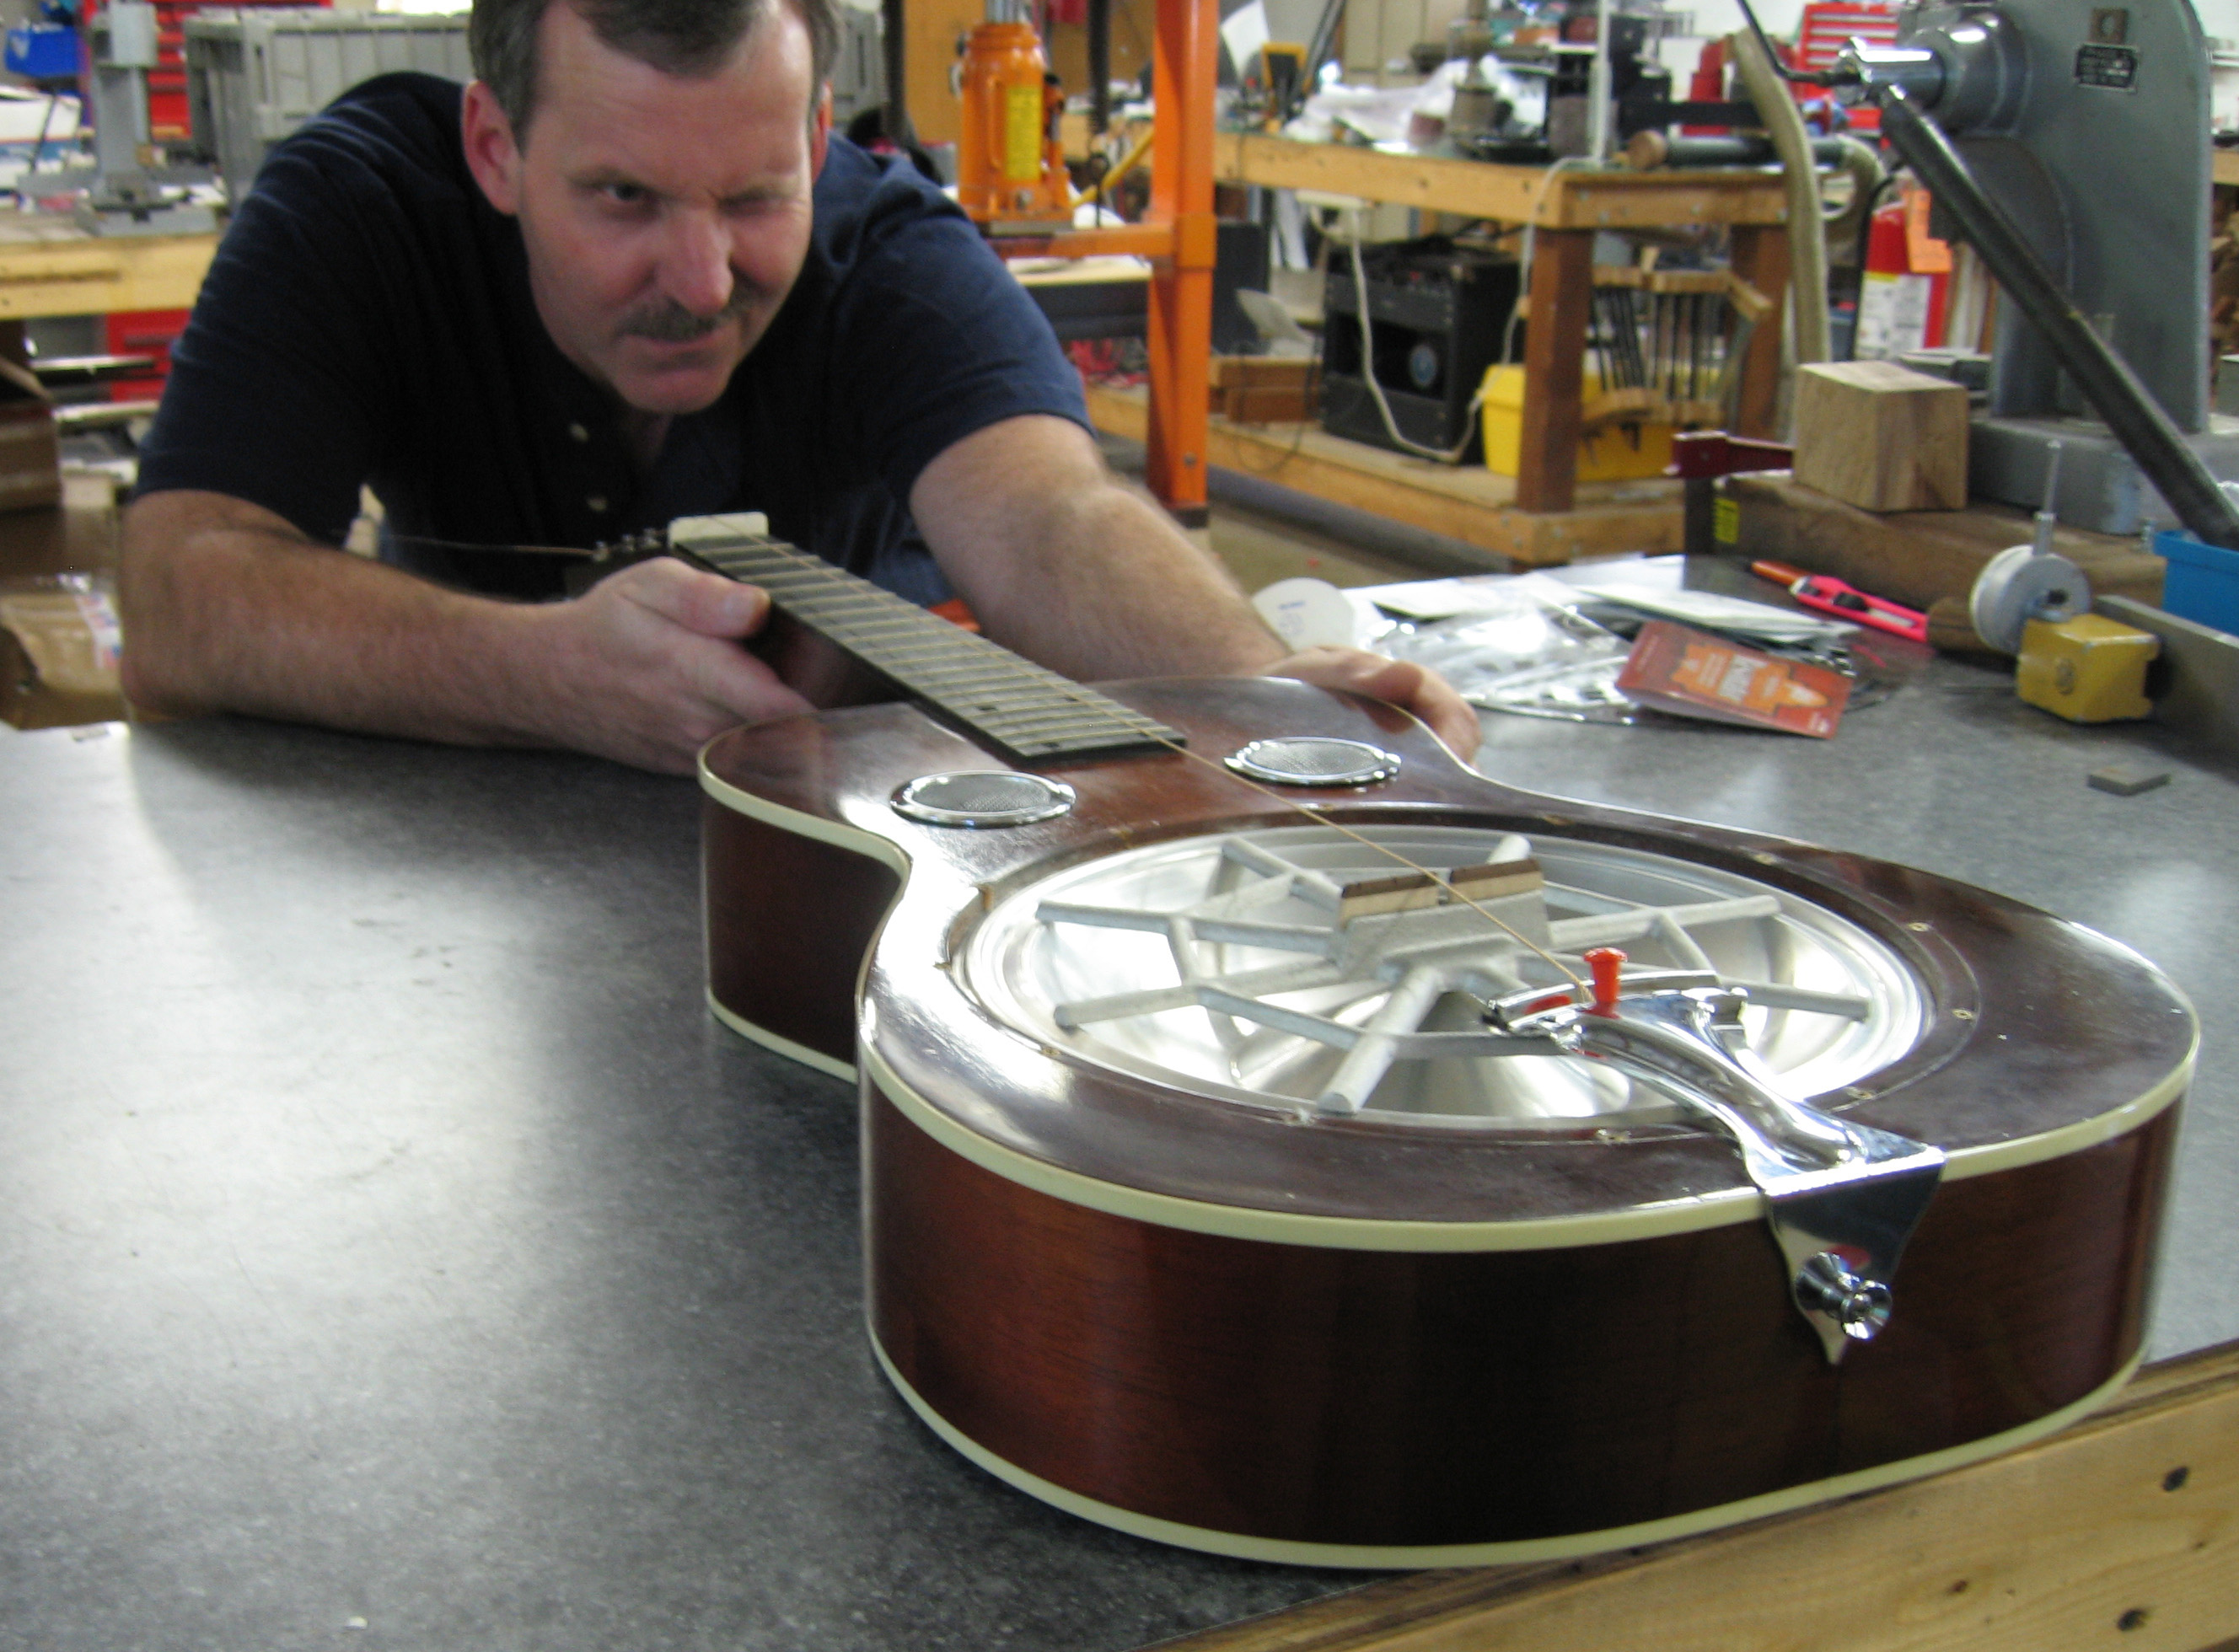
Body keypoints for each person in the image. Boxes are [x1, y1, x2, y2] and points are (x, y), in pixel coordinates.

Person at [116, 0, 1477, 774]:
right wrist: (546, 672)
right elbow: (179, 595)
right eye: (622, 197)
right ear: (493, 145)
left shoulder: (886, 246)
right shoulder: (360, 210)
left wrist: (1270, 704)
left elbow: (1049, 515)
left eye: (758, 195)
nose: (702, 281)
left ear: (816, 136)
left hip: (822, 852)